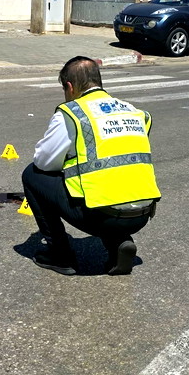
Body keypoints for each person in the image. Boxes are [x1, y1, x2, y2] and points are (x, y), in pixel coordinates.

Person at [21, 56, 161, 276]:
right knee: (109, 184)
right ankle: (118, 244)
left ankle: (60, 255)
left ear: (70, 87)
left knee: (32, 175)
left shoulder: (74, 114)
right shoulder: (135, 112)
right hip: (142, 214)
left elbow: (44, 162)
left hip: (101, 215)